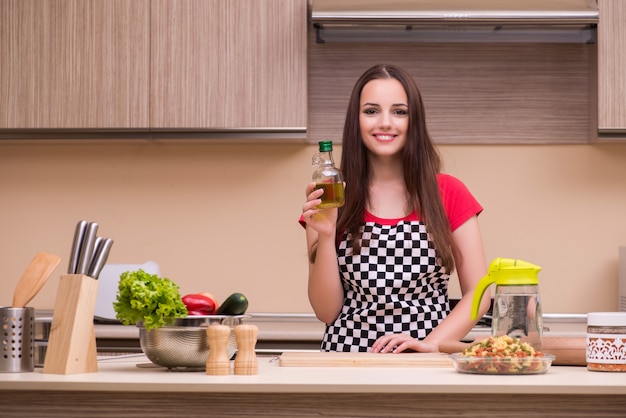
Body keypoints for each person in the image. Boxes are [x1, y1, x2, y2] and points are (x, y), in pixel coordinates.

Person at [300, 64, 491, 353]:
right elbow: (326, 312)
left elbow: (479, 292)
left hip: (427, 364)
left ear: (414, 121)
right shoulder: (330, 195)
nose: (385, 123)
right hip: (345, 363)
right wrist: (326, 236)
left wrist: (430, 345)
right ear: (356, 120)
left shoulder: (448, 193)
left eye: (399, 111)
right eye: (371, 111)